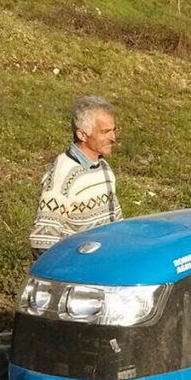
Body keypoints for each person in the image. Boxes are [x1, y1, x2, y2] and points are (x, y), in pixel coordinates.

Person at [29, 95, 122, 258]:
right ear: (82, 135)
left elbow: (116, 222)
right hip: (79, 271)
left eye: (113, 130)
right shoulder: (64, 174)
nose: (113, 138)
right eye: (105, 132)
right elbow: (42, 241)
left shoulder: (103, 167)